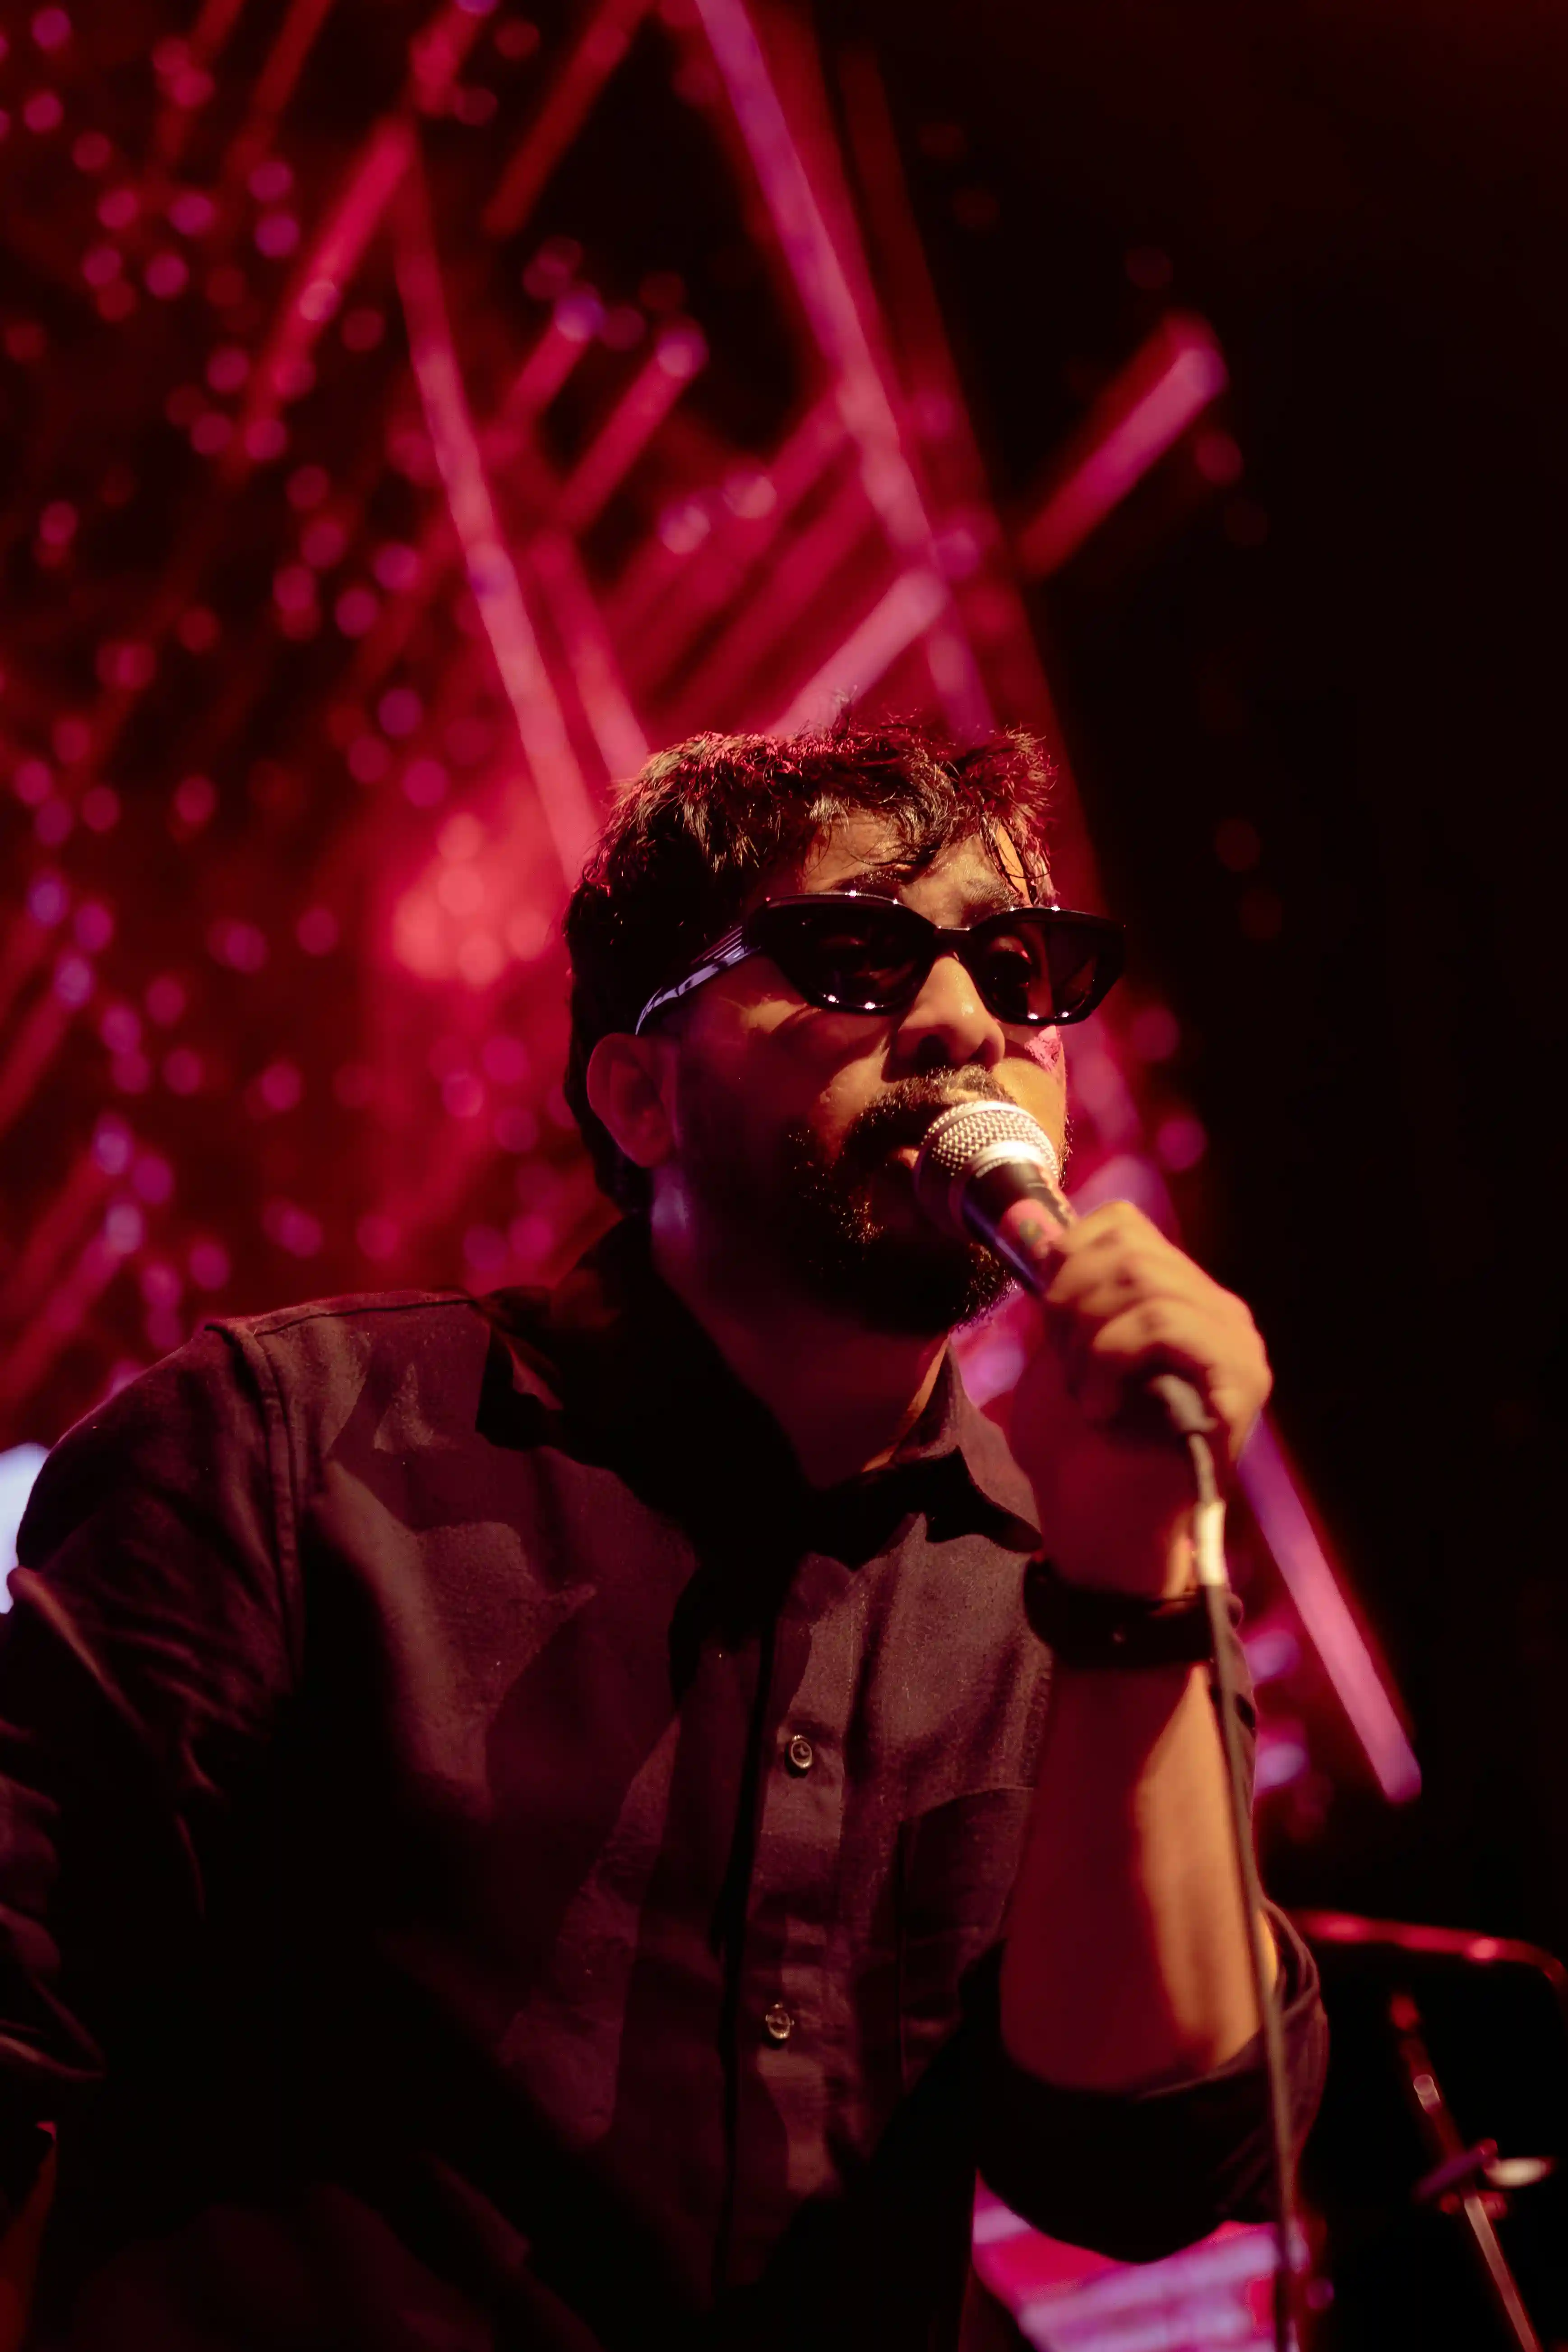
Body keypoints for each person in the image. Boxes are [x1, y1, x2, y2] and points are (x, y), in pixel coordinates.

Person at [0, 722, 1325, 2350]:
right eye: (853, 954)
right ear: (638, 1090)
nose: (967, 1020)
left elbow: (1139, 2162)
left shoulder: (1078, 1601)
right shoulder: (288, 1449)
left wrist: (1138, 1581)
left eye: (1021, 966)